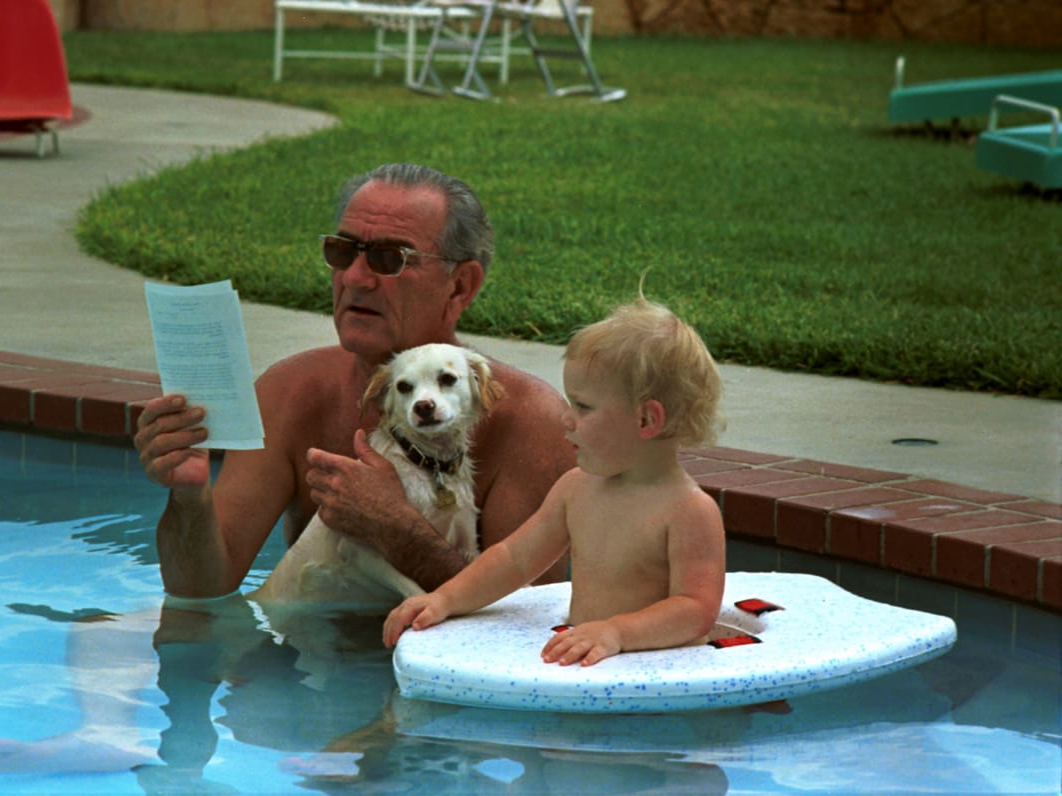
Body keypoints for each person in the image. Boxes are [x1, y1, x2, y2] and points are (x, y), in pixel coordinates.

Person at [134, 162, 574, 598]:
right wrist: (189, 500)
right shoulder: (290, 394)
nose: (355, 278)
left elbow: (529, 629)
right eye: (343, 251)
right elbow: (199, 588)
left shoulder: (530, 421)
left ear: (459, 287)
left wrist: (398, 531)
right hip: (304, 660)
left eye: (389, 259)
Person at [384, 297, 726, 666]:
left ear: (646, 420)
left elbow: (695, 610)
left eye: (582, 406)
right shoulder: (575, 489)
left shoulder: (689, 511)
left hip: (662, 678)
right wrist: (445, 599)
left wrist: (617, 632)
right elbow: (514, 559)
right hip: (589, 662)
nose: (565, 418)